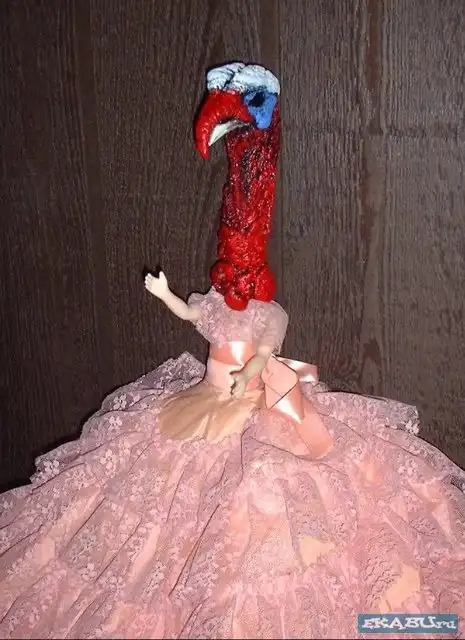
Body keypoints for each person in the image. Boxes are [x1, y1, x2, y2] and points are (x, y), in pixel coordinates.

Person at [1, 62, 464, 640]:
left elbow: (265, 354)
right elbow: (192, 313)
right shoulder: (217, 305)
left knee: (286, 513)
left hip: (252, 402)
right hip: (204, 400)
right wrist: (164, 294)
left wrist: (253, 374)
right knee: (152, 520)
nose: (231, 289)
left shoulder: (267, 314)